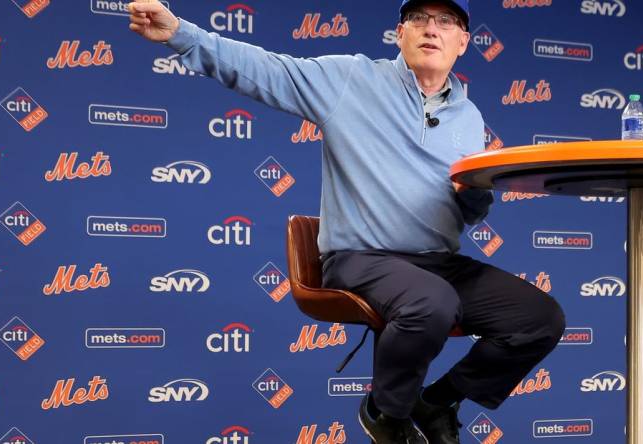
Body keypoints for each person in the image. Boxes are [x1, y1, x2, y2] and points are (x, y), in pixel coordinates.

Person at [128, 0, 565, 442]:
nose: (432, 29)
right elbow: (266, 70)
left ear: (463, 42)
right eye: (419, 18)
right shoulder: (352, 79)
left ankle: (436, 401)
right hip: (360, 257)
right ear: (401, 33)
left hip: (438, 260)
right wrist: (182, 34)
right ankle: (386, 412)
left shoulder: (469, 119)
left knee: (538, 318)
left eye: (446, 21)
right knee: (431, 302)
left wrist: (473, 197)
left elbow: (473, 211)